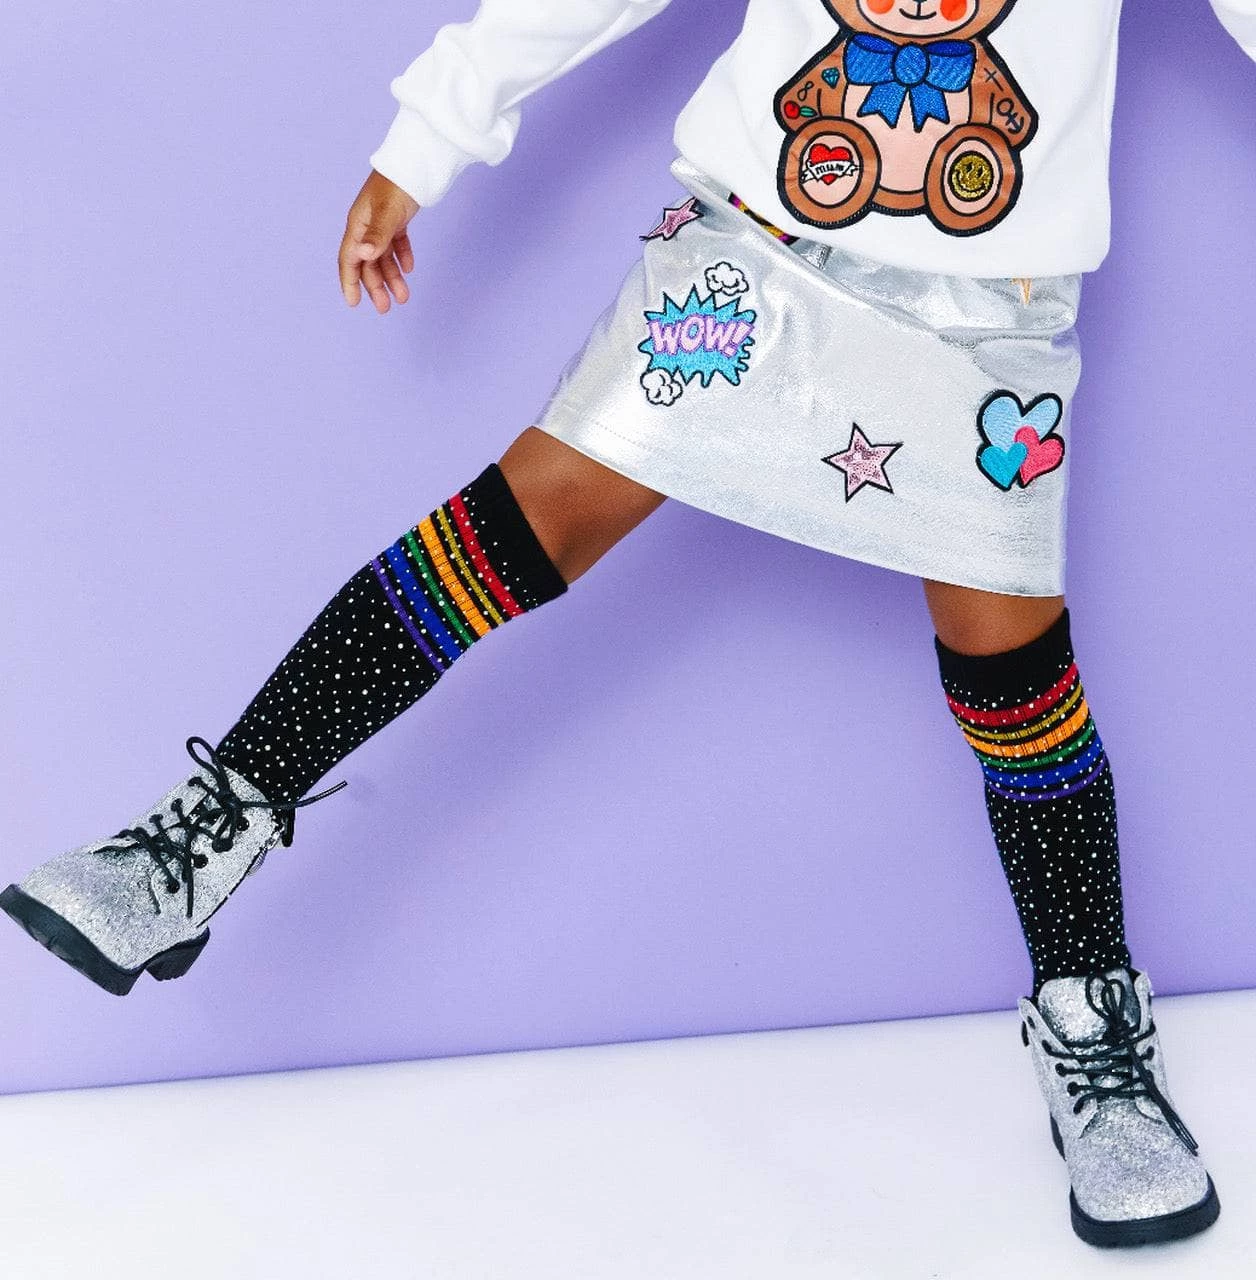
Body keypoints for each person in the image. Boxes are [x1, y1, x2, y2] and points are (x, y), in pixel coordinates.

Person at [4, 0, 1250, 1249]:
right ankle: (199, 840)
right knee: (513, 525)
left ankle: (1091, 1031)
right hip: (753, 253)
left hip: (987, 312)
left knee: (1011, 663)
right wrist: (428, 134)